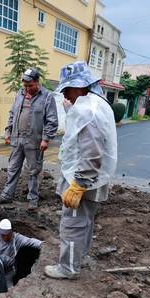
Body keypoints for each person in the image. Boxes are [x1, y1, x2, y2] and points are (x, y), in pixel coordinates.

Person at [44, 61, 117, 280]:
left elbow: (93, 152)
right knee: (84, 220)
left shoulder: (87, 110)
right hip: (94, 177)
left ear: (80, 86)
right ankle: (78, 257)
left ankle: (68, 268)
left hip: (83, 177)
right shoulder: (95, 103)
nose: (66, 95)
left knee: (73, 222)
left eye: (67, 90)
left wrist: (78, 185)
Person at [0, 68, 58, 210]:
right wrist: (8, 130)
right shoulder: (19, 94)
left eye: (30, 86)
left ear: (37, 82)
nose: (27, 89)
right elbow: (12, 113)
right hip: (17, 139)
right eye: (25, 86)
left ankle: (32, 199)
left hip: (34, 142)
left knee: (34, 171)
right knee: (12, 168)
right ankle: (6, 196)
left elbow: (52, 120)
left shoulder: (47, 97)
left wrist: (46, 139)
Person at [0, 219, 42, 286]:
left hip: (8, 271)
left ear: (11, 231)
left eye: (7, 234)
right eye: (2, 235)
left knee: (8, 290)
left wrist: (43, 244)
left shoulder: (16, 238)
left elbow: (30, 241)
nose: (5, 237)